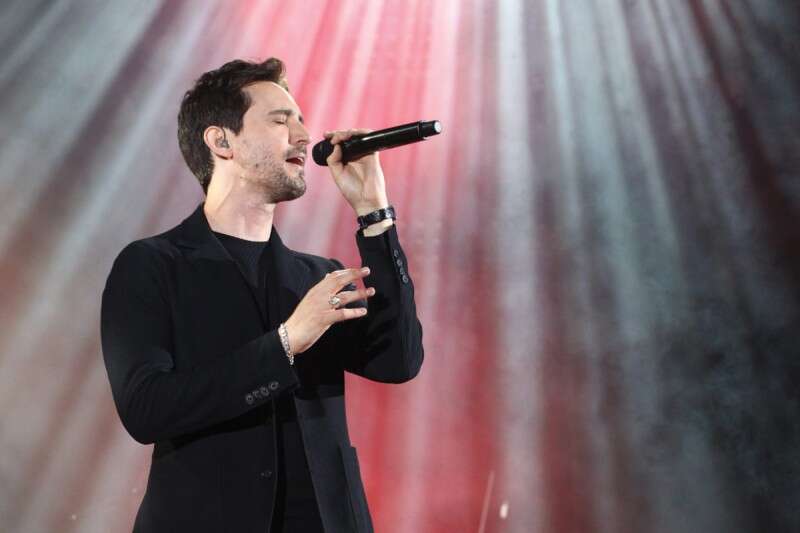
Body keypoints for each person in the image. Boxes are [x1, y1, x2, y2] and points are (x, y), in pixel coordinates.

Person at [100, 57, 424, 533]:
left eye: (301, 121)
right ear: (221, 141)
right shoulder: (152, 265)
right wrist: (286, 343)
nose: (303, 136)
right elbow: (146, 409)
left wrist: (374, 212)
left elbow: (399, 361)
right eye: (280, 120)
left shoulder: (316, 275)